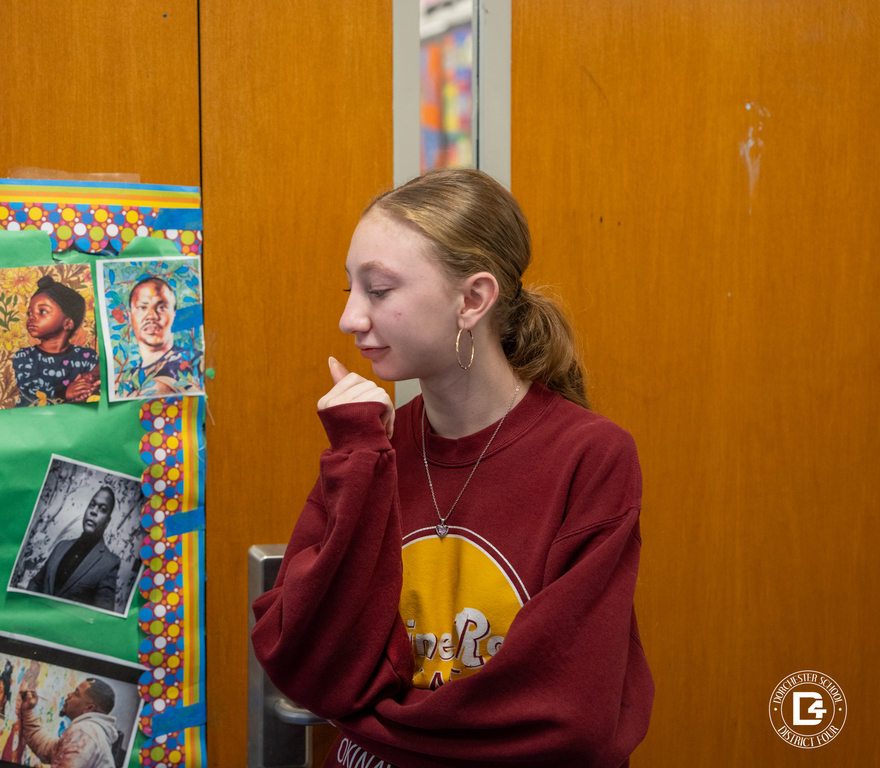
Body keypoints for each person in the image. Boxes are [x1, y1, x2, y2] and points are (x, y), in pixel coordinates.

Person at [251, 168, 654, 767]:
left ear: (472, 300)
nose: (350, 319)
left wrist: (371, 719)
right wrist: (358, 457)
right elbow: (305, 659)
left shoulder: (591, 458)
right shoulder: (372, 444)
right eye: (349, 291)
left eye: (379, 290)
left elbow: (566, 717)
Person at [28, 487, 121, 612]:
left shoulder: (110, 563)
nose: (93, 511)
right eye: (91, 505)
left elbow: (100, 619)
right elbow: (36, 583)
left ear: (107, 522)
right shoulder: (61, 546)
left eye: (102, 509)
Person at [13, 275, 100, 406]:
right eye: (30, 313)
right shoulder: (24, 356)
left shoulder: (86, 356)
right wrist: (66, 393)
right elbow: (31, 392)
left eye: (42, 311)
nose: (32, 317)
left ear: (68, 324)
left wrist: (87, 387)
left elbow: (97, 377)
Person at [117, 276, 201, 398]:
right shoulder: (126, 379)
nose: (152, 315)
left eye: (162, 307)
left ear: (174, 315)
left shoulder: (192, 360)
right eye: (143, 307)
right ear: (130, 316)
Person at [18, 678, 120, 768]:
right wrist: (28, 711)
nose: (69, 694)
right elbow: (47, 749)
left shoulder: (85, 732)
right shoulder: (91, 731)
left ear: (89, 708)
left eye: (76, 693)